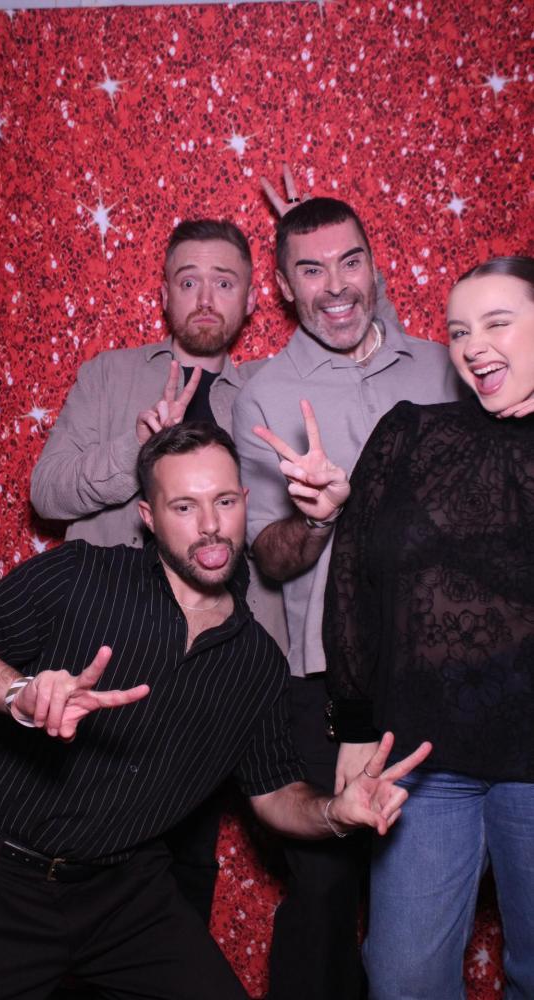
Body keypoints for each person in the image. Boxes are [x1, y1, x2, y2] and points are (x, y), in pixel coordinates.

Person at [0, 421, 432, 1000]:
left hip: (123, 894)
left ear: (244, 503)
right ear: (148, 517)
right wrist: (17, 692)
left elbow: (276, 795)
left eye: (224, 502)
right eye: (183, 506)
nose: (210, 525)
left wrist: (336, 811)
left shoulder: (257, 662)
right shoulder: (82, 575)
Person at [232, 179, 462, 1000]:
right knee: (325, 894)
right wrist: (320, 518)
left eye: (349, 262)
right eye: (310, 270)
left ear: (374, 266)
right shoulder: (263, 393)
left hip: (441, 673)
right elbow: (268, 556)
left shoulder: (442, 367)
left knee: (427, 892)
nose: (334, 286)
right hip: (331, 683)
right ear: (282, 287)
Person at [30, 217, 283, 923]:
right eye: (187, 280)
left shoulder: (268, 389)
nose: (204, 297)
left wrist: (307, 239)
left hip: (210, 667)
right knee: (70, 848)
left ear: (251, 299)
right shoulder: (109, 375)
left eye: (224, 282)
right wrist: (133, 451)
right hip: (106, 655)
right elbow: (46, 494)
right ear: (165, 293)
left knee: (182, 859)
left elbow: (364, 350)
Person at [323, 255, 534, 1000]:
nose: (473, 344)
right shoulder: (411, 432)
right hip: (421, 759)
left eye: (496, 322)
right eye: (458, 330)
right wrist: (353, 724)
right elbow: (353, 573)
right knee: (402, 979)